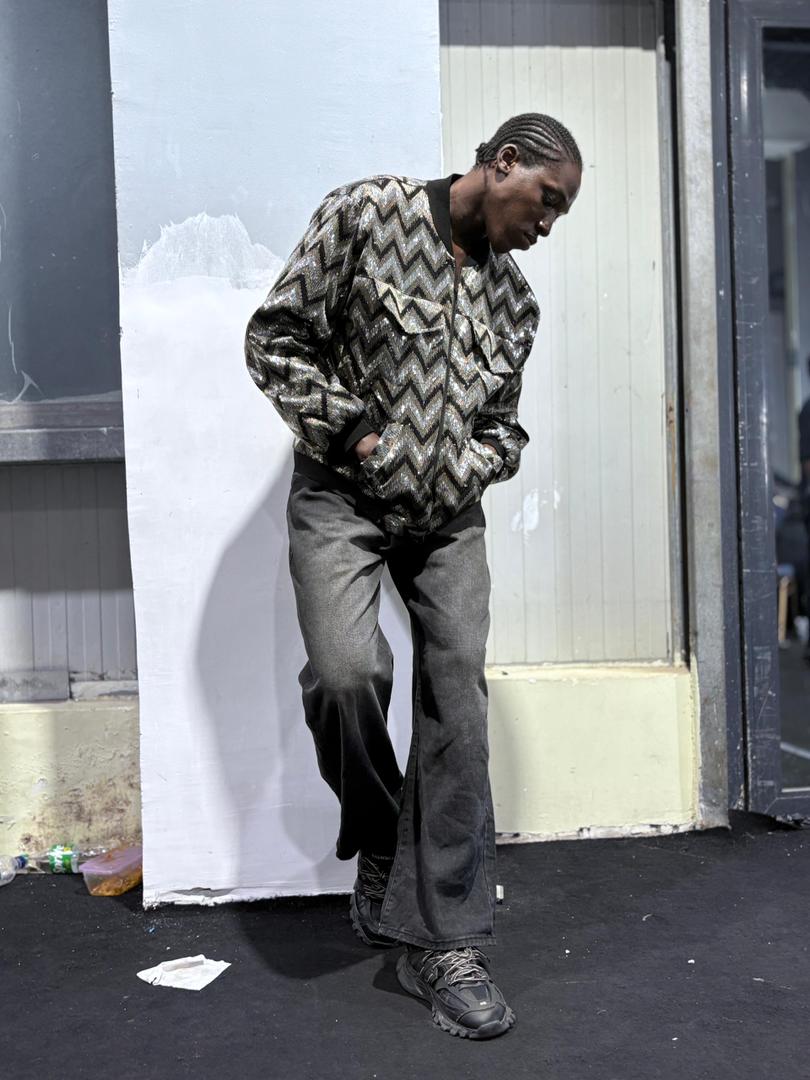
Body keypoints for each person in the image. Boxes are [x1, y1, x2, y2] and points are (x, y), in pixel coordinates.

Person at [244, 112, 581, 1040]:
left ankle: (448, 942)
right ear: (503, 162)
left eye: (559, 214)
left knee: (456, 696)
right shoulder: (368, 215)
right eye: (547, 200)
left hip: (445, 517)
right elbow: (275, 338)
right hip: (342, 492)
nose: (547, 224)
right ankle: (386, 841)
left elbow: (503, 428)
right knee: (347, 674)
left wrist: (465, 466)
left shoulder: (516, 305)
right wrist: (360, 436)